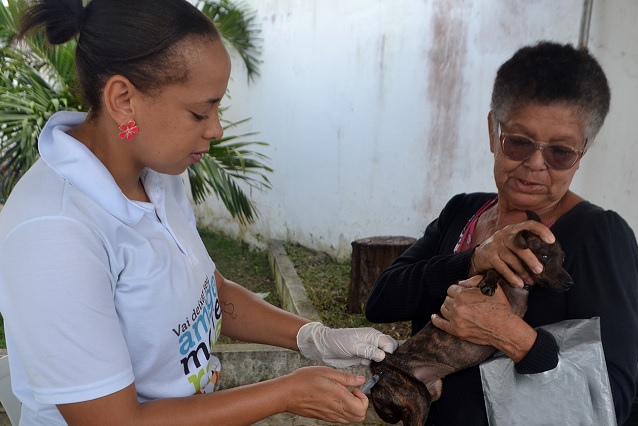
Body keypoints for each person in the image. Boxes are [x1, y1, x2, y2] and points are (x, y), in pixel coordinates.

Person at [0, 1, 399, 425]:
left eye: (217, 108)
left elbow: (208, 293)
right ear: (122, 100)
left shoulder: (160, 172)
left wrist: (312, 337)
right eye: (199, 111)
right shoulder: (55, 233)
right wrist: (285, 393)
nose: (216, 129)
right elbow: (116, 421)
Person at [366, 41, 638, 425]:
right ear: (494, 131)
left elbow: (612, 399)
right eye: (519, 143)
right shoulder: (463, 211)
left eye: (560, 152)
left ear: (583, 152)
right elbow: (380, 301)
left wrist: (510, 334)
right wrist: (474, 258)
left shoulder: (598, 236)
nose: (534, 165)